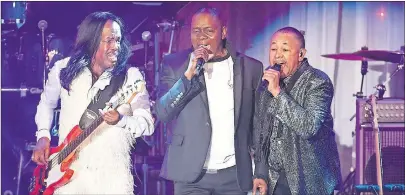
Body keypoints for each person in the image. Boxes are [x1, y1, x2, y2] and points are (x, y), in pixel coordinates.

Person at [31, 12, 154, 194]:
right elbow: (46, 104)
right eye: (109, 40)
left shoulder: (131, 77)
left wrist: (121, 120)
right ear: (91, 40)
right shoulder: (63, 69)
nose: (116, 47)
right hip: (67, 179)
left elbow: (147, 125)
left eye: (118, 40)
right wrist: (43, 136)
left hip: (112, 180)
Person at [155, 7, 263, 195]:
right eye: (196, 31)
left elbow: (259, 124)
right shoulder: (175, 64)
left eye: (209, 31)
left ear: (223, 32)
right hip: (191, 175)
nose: (201, 38)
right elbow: (163, 112)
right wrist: (188, 76)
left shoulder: (250, 67)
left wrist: (260, 171)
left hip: (234, 175)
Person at [252, 27, 342, 195]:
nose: (277, 55)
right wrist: (260, 173)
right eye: (273, 49)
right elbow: (261, 133)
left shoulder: (317, 81)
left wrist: (278, 93)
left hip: (309, 183)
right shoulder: (267, 84)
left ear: (301, 54)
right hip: (275, 180)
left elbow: (308, 127)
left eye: (285, 49)